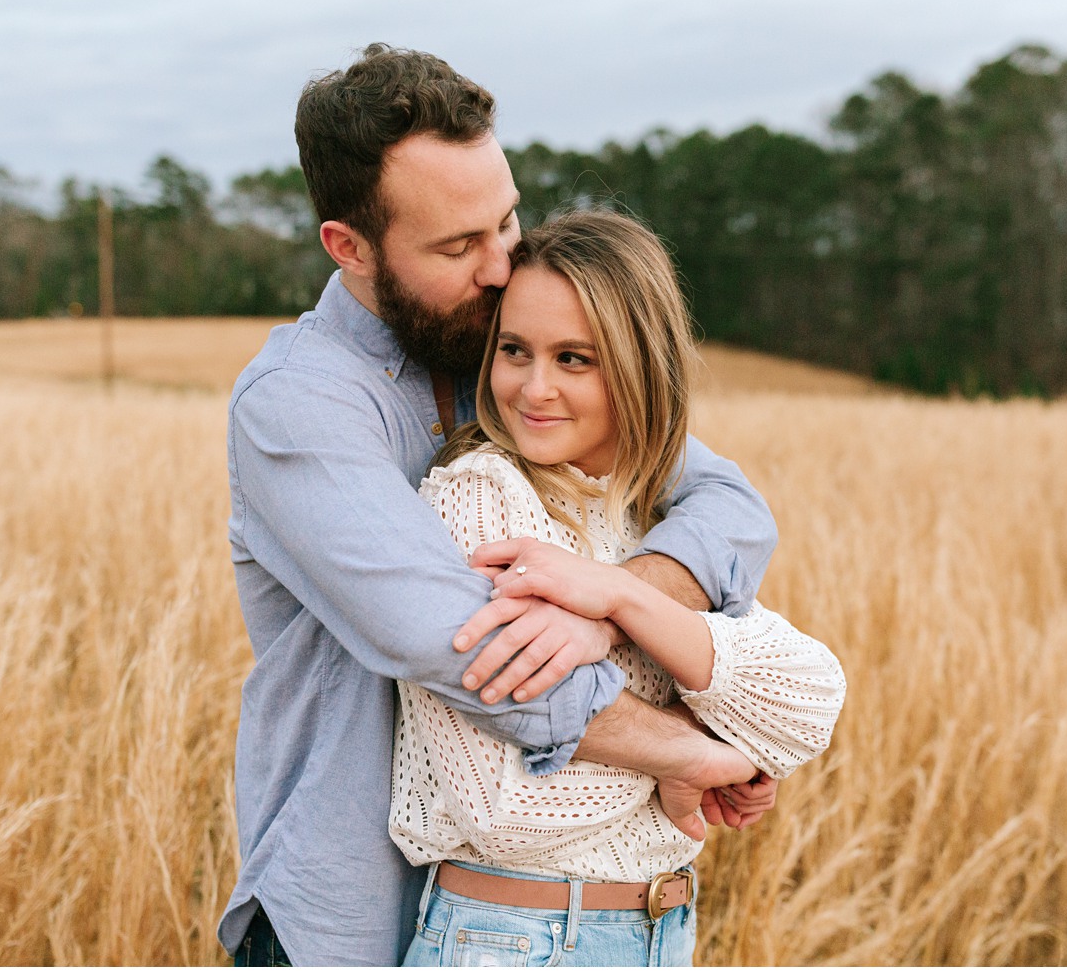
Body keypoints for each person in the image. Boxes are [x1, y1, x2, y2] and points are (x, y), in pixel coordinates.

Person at [220, 47, 785, 967]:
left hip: (559, 915)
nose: (501, 265)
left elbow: (727, 502)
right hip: (351, 919)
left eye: (508, 221)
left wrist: (618, 601)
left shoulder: (510, 355)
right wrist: (687, 748)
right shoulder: (299, 404)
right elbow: (465, 646)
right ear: (348, 247)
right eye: (457, 246)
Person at [393, 208, 846, 965]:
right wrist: (695, 755)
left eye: (575, 358)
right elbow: (499, 808)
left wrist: (623, 599)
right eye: (514, 350)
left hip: (655, 933)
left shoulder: (647, 517)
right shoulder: (480, 498)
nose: (534, 389)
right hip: (516, 938)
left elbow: (809, 700)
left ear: (641, 365)